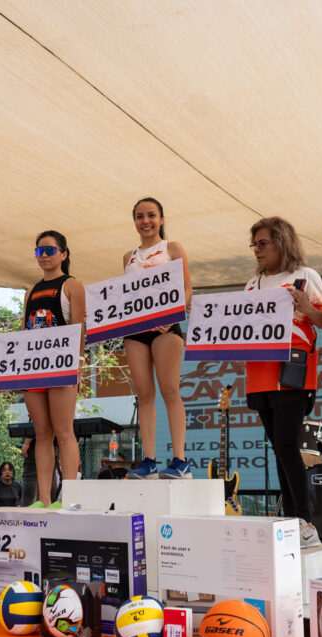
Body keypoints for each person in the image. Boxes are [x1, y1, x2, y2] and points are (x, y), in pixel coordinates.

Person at [243, 217, 322, 548]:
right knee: (279, 448)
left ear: (282, 242)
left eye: (262, 243)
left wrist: (307, 307)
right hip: (258, 375)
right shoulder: (252, 285)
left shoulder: (305, 277)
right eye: (254, 244)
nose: (257, 250)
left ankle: (305, 521)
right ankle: (291, 519)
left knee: (287, 446)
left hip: (293, 372)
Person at [123, 198, 194, 480]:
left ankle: (180, 460)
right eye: (140, 216)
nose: (146, 221)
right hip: (136, 331)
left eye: (151, 215)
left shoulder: (172, 248)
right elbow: (125, 296)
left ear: (162, 219)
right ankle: (149, 460)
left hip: (167, 328)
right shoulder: (127, 256)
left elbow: (187, 288)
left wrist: (171, 315)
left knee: (169, 390)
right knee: (144, 395)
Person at [22, 231, 85, 506]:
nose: (44, 255)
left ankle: (69, 497)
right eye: (39, 251)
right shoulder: (30, 291)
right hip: (34, 369)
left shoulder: (73, 285)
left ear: (64, 254)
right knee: (42, 434)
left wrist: (78, 366)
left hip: (62, 367)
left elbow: (80, 328)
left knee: (64, 431)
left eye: (49, 250)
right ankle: (45, 500)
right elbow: (23, 332)